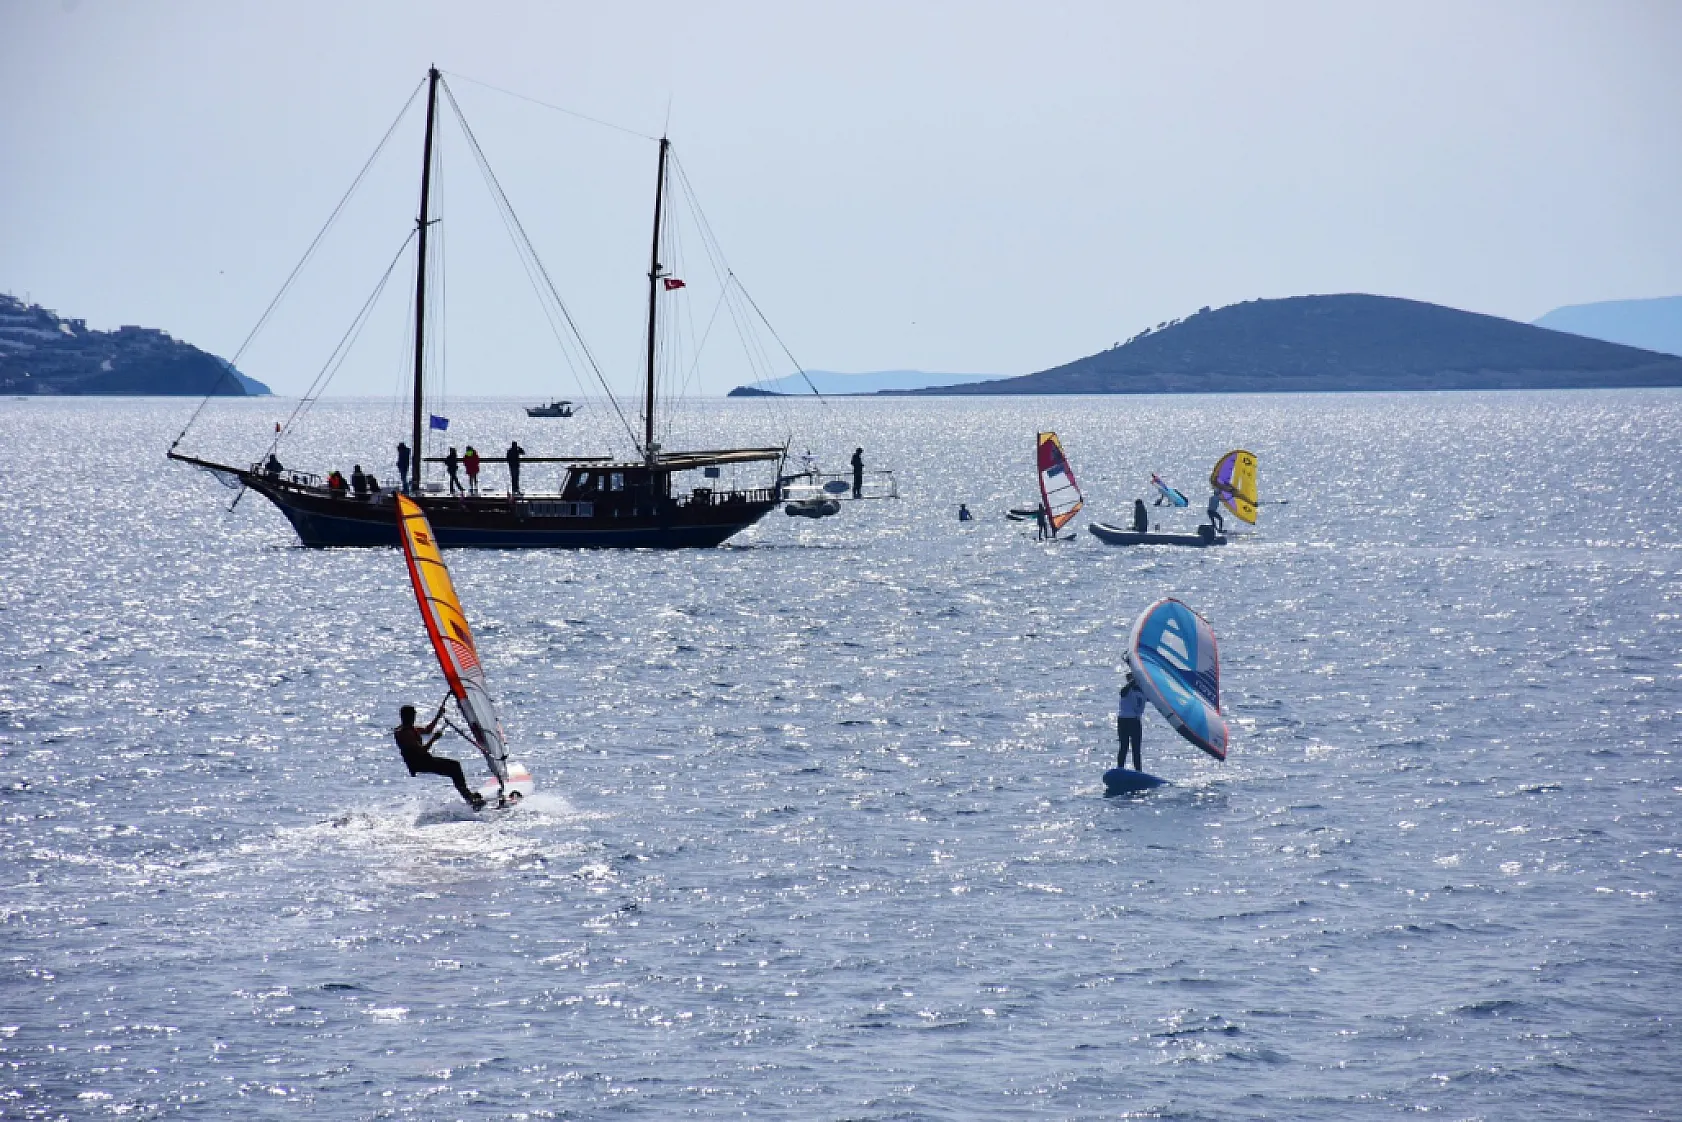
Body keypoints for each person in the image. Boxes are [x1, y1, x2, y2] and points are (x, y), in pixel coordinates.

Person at [394, 702, 485, 811]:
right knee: (454, 767)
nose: (414, 718)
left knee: (454, 767)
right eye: (412, 716)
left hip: (424, 760)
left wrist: (439, 715)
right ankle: (470, 799)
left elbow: (428, 730)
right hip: (419, 763)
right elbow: (422, 751)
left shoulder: (410, 729)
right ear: (406, 717)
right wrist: (434, 739)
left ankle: (469, 796)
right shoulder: (403, 733)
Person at [1116, 671, 1147, 771]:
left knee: (1136, 749)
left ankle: (1139, 771)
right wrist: (1132, 682)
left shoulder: (1143, 692)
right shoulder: (1127, 690)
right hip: (1123, 720)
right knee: (1124, 747)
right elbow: (1122, 693)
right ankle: (1120, 769)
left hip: (1135, 721)